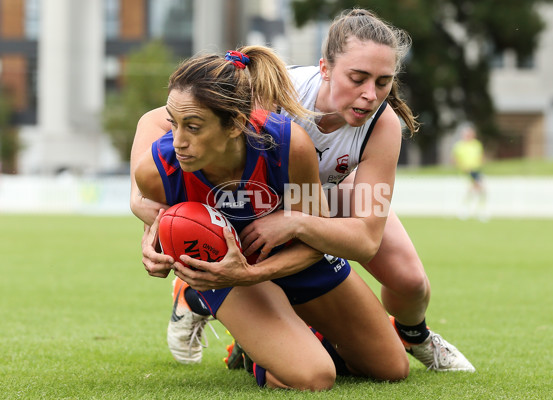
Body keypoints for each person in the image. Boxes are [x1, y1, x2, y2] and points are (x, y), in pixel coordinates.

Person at [132, 9, 475, 372]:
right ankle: (212, 306)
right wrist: (142, 203)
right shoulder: (278, 90)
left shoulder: (382, 124)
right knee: (259, 257)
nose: (370, 94)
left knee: (410, 281)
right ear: (324, 68)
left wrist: (295, 222)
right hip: (259, 200)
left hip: (323, 196)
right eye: (357, 78)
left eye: (383, 81)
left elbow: (365, 240)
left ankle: (413, 334)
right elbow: (164, 119)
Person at [132, 46, 409, 390]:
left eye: (193, 127)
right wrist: (154, 248)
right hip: (223, 273)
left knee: (391, 367)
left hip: (291, 257)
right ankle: (254, 347)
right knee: (314, 377)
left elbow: (318, 241)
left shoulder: (289, 145)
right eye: (174, 124)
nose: (178, 142)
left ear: (235, 125)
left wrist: (256, 270)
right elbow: (158, 219)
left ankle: (293, 332)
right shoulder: (158, 169)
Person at [452, 122, 488, 221]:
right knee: (474, 189)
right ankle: (468, 210)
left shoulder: (477, 145)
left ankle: (476, 210)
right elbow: (455, 160)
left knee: (478, 190)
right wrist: (462, 167)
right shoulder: (459, 146)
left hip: (476, 170)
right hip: (465, 171)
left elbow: (481, 157)